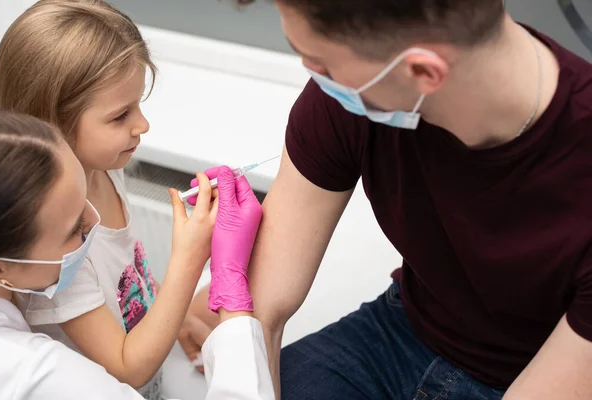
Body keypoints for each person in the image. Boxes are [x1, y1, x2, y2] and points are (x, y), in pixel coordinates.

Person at [210, 1, 592, 399]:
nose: (314, 76)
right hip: (400, 331)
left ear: (423, 72)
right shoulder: (353, 94)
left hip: (536, 370)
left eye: (320, 62)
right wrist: (232, 302)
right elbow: (264, 314)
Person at [0, 0, 213, 397]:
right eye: (119, 116)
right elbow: (128, 368)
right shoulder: (56, 256)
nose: (142, 125)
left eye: (138, 105)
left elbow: (128, 274)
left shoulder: (106, 167)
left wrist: (173, 316)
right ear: (50, 122)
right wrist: (189, 261)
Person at [0, 110, 274, 399]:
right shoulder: (47, 375)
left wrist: (183, 316)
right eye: (75, 226)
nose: (95, 221)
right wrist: (224, 278)